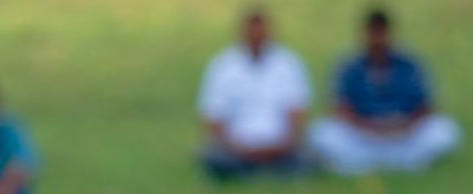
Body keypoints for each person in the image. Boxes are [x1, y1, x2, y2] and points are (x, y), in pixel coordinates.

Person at [309, 9, 461, 175]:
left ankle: (401, 160)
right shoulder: (349, 66)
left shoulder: (409, 64)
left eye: (381, 33)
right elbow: (340, 107)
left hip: (403, 132)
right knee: (323, 132)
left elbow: (425, 105)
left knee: (443, 130)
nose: (377, 39)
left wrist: (403, 126)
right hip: (363, 133)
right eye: (373, 33)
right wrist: (367, 127)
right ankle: (373, 162)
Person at [197, 8, 313, 180]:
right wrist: (236, 147)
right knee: (213, 157)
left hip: (279, 144)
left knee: (309, 155)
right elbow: (214, 117)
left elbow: (298, 112)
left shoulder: (288, 64)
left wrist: (284, 144)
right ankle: (267, 172)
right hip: (237, 145)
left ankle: (252, 172)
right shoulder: (222, 66)